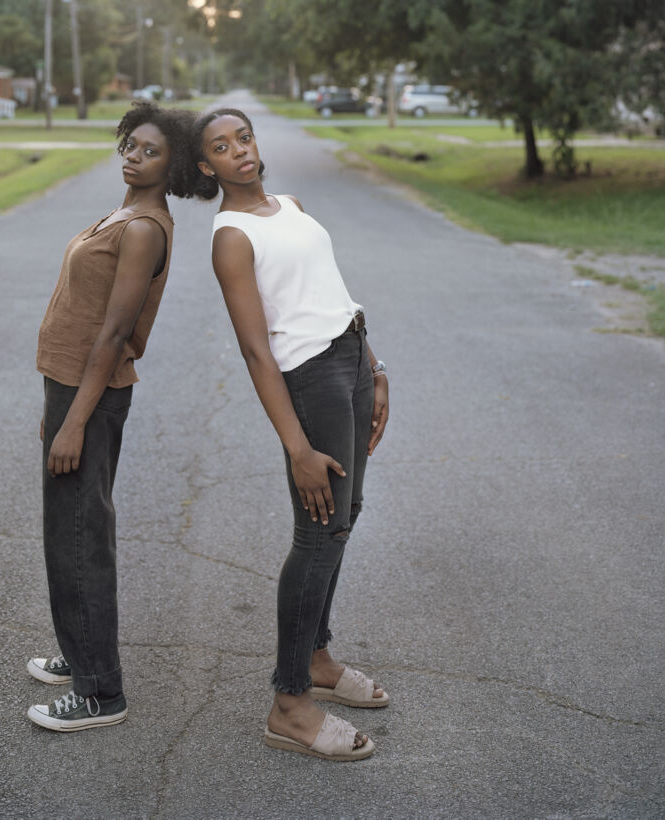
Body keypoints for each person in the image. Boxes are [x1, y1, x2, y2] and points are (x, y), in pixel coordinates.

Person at [187, 107, 390, 761]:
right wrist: (297, 446)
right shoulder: (231, 237)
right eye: (220, 147)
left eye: (242, 137)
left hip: (352, 359)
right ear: (204, 165)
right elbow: (255, 352)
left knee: (347, 511)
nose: (238, 151)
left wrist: (377, 369)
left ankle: (320, 657)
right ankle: (290, 702)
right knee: (320, 530)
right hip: (311, 380)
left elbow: (331, 287)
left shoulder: (291, 204)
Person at [26, 102, 193, 732]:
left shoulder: (146, 226)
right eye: (131, 145)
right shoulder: (125, 210)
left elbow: (115, 331)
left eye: (151, 152)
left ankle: (101, 693)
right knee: (66, 530)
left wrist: (74, 422)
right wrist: (61, 410)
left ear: (173, 166)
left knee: (80, 538)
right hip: (72, 391)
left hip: (89, 394)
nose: (134, 156)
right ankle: (79, 657)